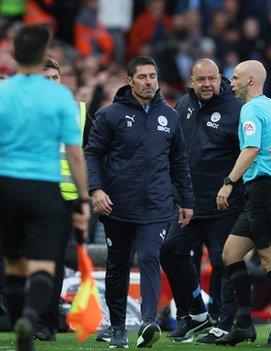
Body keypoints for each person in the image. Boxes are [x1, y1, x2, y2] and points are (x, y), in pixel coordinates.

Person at [0, 25, 90, 351]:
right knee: (47, 266)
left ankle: (24, 329)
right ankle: (31, 314)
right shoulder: (60, 97)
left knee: (15, 266)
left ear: (15, 55)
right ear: (40, 53)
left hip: (6, 188)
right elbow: (75, 154)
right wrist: (83, 199)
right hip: (46, 189)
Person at [85, 55, 194, 349]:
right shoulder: (110, 115)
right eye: (143, 77)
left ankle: (148, 322)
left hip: (157, 205)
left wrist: (187, 201)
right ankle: (118, 328)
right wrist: (96, 190)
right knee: (118, 265)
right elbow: (92, 153)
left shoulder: (170, 117)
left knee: (149, 257)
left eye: (153, 76)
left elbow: (179, 161)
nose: (149, 82)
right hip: (117, 205)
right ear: (129, 80)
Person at [213, 60, 271, 348]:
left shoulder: (251, 109)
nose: (232, 82)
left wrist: (228, 182)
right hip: (265, 190)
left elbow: (251, 148)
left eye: (236, 77)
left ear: (251, 80)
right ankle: (243, 324)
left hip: (263, 188)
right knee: (231, 253)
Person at [160, 58, 242, 343]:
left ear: (220, 79)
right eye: (201, 80)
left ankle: (223, 321)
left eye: (212, 79)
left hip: (223, 203)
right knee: (170, 250)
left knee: (224, 262)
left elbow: (248, 154)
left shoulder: (237, 109)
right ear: (192, 81)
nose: (207, 84)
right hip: (189, 203)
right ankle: (193, 312)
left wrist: (232, 186)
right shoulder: (183, 105)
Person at [34, 56, 91, 341]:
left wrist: (84, 197)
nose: (52, 84)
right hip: (27, 196)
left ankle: (46, 321)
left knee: (53, 261)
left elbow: (90, 155)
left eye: (55, 78)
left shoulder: (79, 112)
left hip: (62, 199)